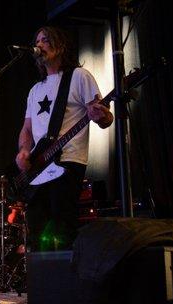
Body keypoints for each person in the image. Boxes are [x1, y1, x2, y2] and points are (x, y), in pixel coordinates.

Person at [15, 26, 114, 251]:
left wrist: (102, 115)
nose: (39, 45)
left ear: (59, 45)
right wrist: (23, 151)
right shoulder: (35, 90)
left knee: (62, 228)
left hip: (68, 161)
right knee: (36, 230)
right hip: (39, 166)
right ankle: (42, 282)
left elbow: (105, 118)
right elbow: (27, 130)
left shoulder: (79, 77)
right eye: (37, 41)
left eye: (46, 40)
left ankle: (65, 281)